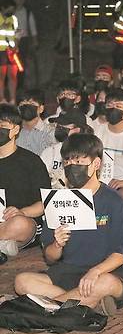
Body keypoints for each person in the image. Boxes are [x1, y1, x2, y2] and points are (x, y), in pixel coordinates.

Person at [14, 133, 123, 316]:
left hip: (105, 273)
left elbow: (121, 254)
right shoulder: (59, 201)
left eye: (79, 162)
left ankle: (39, 309)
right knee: (22, 281)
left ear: (96, 164)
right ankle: (83, 304)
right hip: (67, 272)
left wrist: (95, 271)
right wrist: (57, 244)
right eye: (68, 162)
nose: (73, 167)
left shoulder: (114, 200)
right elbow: (50, 257)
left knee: (105, 284)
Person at [0, 104, 49, 262]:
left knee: (20, 224)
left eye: (2, 126)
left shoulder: (31, 161)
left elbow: (44, 203)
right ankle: (4, 246)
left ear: (15, 130)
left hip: (20, 223)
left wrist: (22, 212)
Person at [40, 110, 91, 189]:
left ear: (78, 129)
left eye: (64, 127)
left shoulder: (89, 152)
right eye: (58, 125)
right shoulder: (50, 152)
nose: (59, 128)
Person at [16, 89, 55, 155]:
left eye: (32, 103)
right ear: (18, 109)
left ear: (41, 108)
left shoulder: (50, 132)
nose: (27, 106)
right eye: (23, 103)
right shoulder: (14, 133)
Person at [13, 0, 38, 90]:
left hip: (23, 41)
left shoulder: (27, 13)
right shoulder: (11, 12)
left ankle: (20, 84)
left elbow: (33, 28)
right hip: (10, 40)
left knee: (21, 63)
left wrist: (35, 41)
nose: (20, 0)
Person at [0, 0, 18, 105]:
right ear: (3, 8)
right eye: (9, 9)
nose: (12, 11)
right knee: (1, 76)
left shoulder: (13, 18)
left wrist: (16, 45)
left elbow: (15, 33)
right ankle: (1, 99)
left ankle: (12, 99)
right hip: (0, 50)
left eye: (13, 9)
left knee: (13, 76)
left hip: (11, 51)